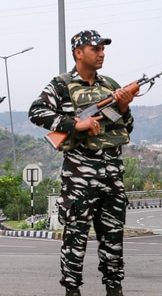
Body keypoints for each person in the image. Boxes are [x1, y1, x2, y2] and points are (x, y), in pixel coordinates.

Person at [28, 30, 136, 296]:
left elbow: (127, 128)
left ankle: (114, 287)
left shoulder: (111, 85)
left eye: (102, 49)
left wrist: (123, 107)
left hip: (112, 177)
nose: (101, 54)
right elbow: (36, 112)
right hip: (80, 178)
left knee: (113, 238)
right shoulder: (61, 85)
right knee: (75, 238)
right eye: (95, 49)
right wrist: (76, 123)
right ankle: (72, 290)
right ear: (78, 52)